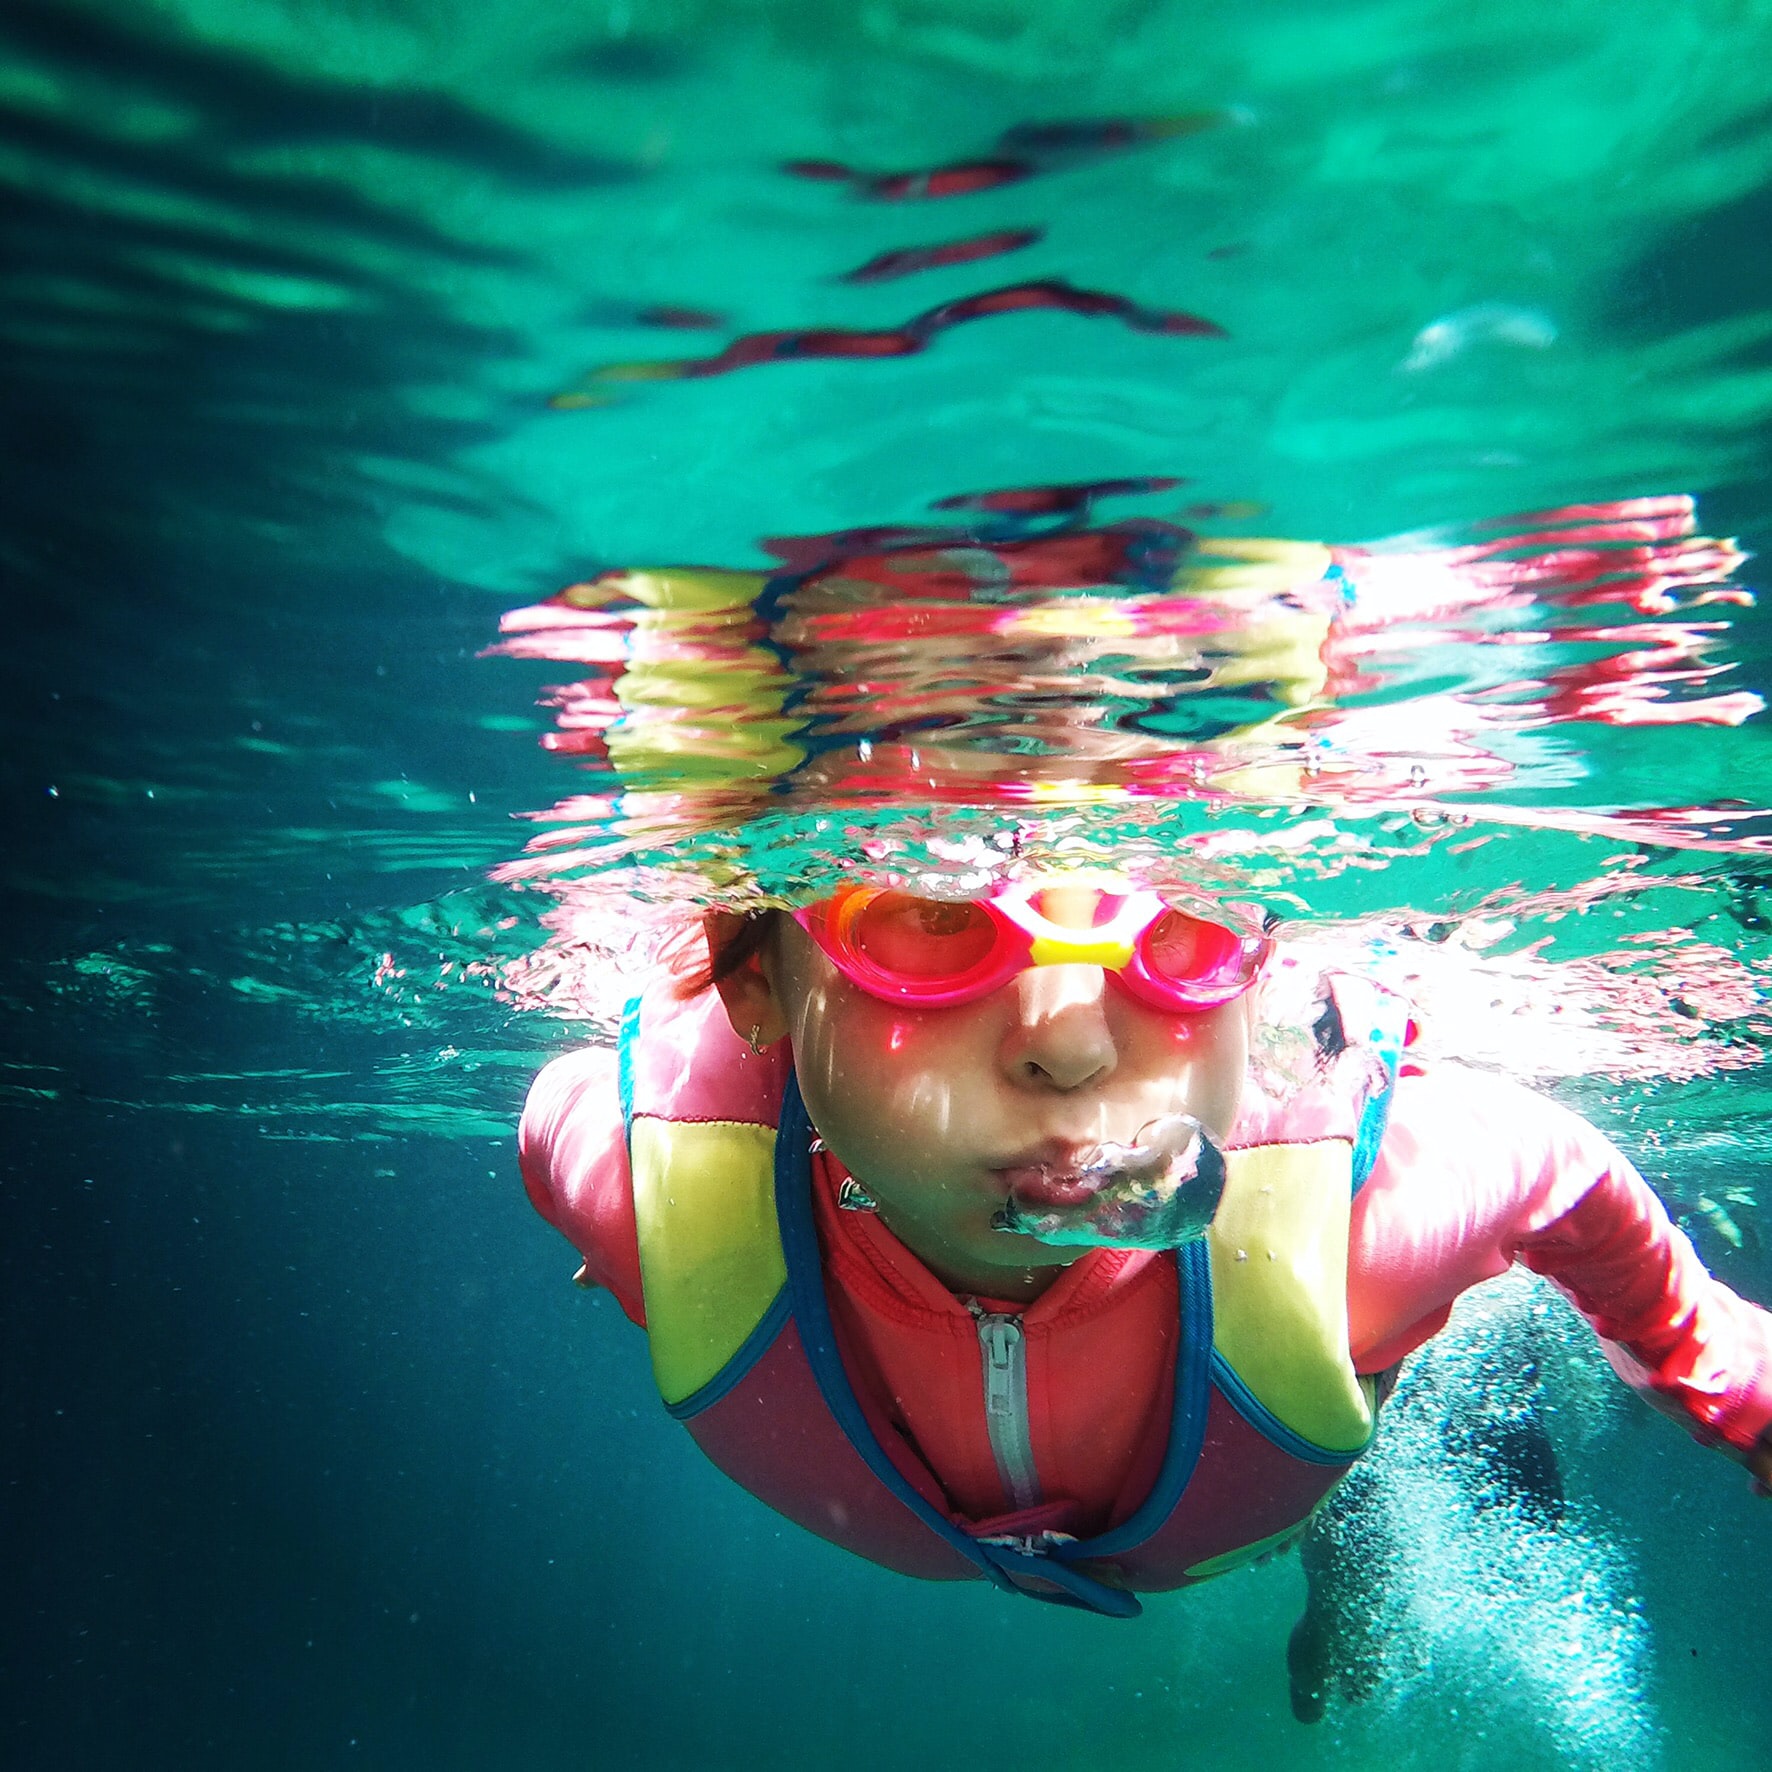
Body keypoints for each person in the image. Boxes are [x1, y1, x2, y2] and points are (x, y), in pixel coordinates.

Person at [518, 875, 1772, 1665]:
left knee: (1374, 1451)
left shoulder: (1351, 1229)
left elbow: (1557, 1168)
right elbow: (559, 1111)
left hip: (1285, 1424)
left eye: (1177, 918)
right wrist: (626, 1242)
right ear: (756, 986)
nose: (1067, 1039)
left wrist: (1717, 1364)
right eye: (934, 917)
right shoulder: (659, 1198)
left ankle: (1351, 1564)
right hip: (1235, 1457)